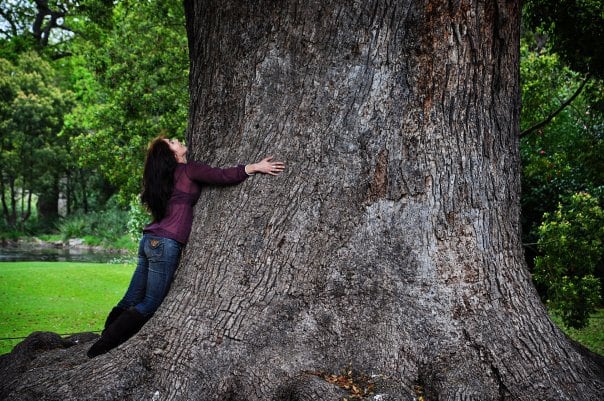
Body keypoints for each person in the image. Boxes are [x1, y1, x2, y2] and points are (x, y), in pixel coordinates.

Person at [87, 136, 285, 358]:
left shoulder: (162, 178)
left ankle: (105, 337)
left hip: (149, 241)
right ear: (171, 154)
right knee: (150, 303)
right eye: (172, 142)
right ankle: (103, 347)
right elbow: (221, 175)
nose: (177, 140)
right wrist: (255, 167)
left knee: (132, 298)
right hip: (165, 243)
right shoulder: (188, 170)